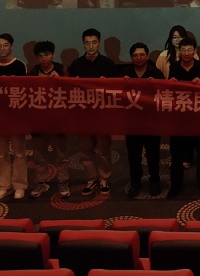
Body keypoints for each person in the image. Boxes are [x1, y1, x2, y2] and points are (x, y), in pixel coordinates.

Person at [67, 28, 117, 195]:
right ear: (83, 44)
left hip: (102, 114)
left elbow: (116, 91)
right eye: (87, 43)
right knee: (85, 149)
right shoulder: (76, 64)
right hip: (83, 114)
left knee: (103, 149)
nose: (90, 46)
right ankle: (91, 178)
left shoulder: (108, 64)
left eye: (94, 42)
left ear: (99, 43)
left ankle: (104, 177)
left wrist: (106, 84)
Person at [0, 33, 28, 199]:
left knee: (19, 152)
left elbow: (24, 91)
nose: (2, 49)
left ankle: (20, 185)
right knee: (2, 153)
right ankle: (4, 185)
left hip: (16, 115)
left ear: (11, 47)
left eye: (6, 45)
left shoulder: (19, 65)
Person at [168, 35, 200, 197]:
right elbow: (169, 92)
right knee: (176, 153)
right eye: (183, 50)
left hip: (197, 116)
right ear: (179, 51)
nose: (186, 53)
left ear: (194, 51)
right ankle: (176, 185)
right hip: (179, 117)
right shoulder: (174, 67)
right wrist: (171, 83)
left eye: (189, 50)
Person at [27, 40, 71, 199]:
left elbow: (71, 91)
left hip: (57, 119)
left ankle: (63, 181)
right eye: (40, 55)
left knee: (61, 155)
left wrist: (61, 81)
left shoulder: (61, 69)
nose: (44, 58)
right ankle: (41, 182)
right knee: (39, 155)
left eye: (47, 54)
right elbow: (26, 93)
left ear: (53, 54)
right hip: (38, 120)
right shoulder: (33, 72)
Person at [120, 42, 164, 197]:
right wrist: (122, 84)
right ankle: (135, 182)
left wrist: (155, 85)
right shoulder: (125, 74)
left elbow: (164, 95)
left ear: (147, 56)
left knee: (153, 153)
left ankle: (155, 180)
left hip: (151, 121)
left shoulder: (156, 73)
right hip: (132, 122)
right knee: (134, 154)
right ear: (131, 57)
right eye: (135, 55)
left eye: (141, 55)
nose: (138, 58)